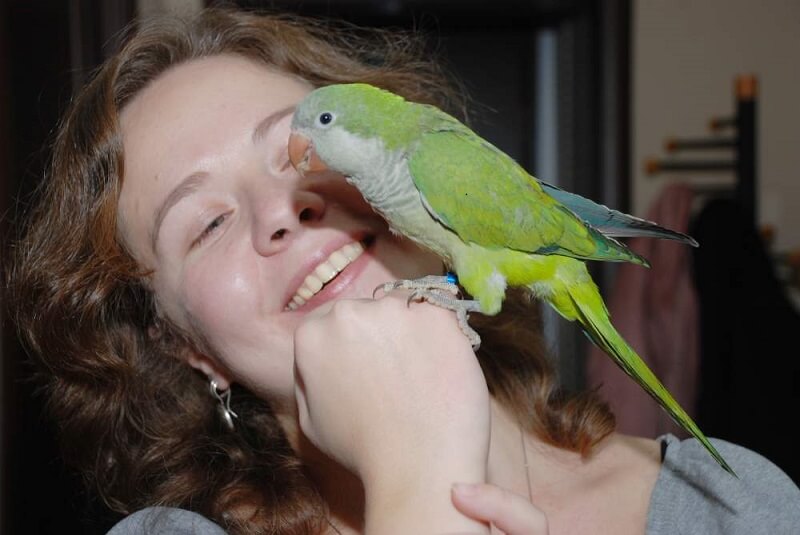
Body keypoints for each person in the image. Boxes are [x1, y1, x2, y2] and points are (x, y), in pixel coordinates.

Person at [5, 7, 799, 535]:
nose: (284, 210)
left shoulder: (733, 505)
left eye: (295, 148)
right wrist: (417, 480)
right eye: (208, 223)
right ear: (189, 349)